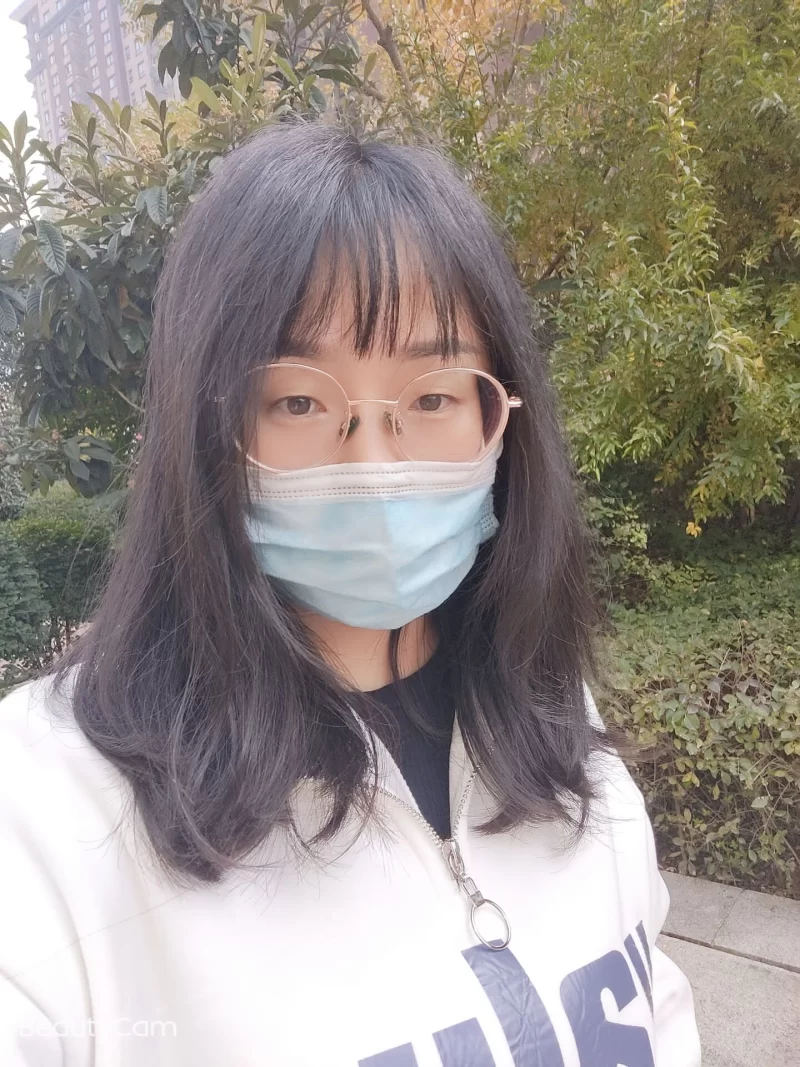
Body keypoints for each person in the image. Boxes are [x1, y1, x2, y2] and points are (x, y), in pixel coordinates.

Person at [0, 120, 700, 1066]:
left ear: (500, 420)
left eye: (433, 395)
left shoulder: (549, 715)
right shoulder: (49, 811)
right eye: (298, 400)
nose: (373, 464)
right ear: (203, 427)